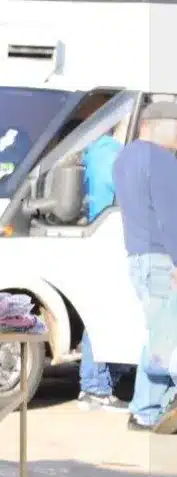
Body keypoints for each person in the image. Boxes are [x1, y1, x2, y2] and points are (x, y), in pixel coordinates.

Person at [113, 101, 177, 434]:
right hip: (163, 260)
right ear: (158, 125)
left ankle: (147, 410)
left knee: (160, 334)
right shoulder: (162, 160)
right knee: (166, 338)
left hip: (140, 259)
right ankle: (148, 409)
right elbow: (172, 218)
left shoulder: (124, 157)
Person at [77, 122, 130, 411]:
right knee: (105, 311)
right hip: (115, 239)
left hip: (103, 235)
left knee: (104, 310)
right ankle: (95, 386)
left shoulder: (94, 152)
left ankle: (101, 381)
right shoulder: (112, 155)